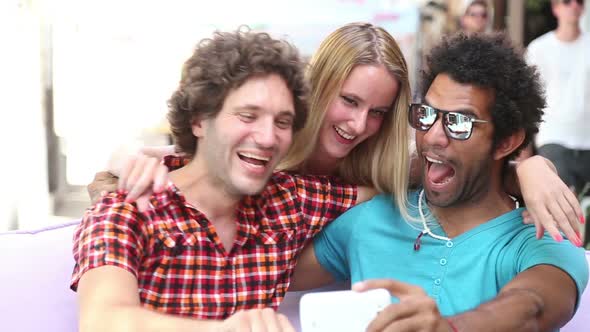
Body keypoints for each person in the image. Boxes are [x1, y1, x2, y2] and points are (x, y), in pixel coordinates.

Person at [92, 23, 584, 244]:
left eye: (378, 112)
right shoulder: (262, 146)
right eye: (348, 101)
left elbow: (465, 167)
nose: (358, 125)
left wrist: (531, 167)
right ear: (317, 86)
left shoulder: (387, 166)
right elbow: (159, 162)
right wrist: (126, 155)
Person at [70, 27, 377, 331]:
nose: (268, 138)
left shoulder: (289, 200)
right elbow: (103, 320)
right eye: (248, 116)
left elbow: (383, 187)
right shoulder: (126, 210)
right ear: (198, 120)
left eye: (282, 122)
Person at [291, 32, 589, 331]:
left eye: (460, 122)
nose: (432, 136)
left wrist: (450, 328)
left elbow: (530, 308)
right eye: (427, 114)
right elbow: (266, 271)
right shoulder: (370, 218)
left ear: (506, 142)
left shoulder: (540, 237)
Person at [526, 0, 590, 197]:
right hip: (553, 138)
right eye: (566, 1)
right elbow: (529, 100)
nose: (573, 6)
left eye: (579, 1)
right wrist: (524, 149)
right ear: (555, 8)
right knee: (561, 209)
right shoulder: (538, 49)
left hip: (587, 140)